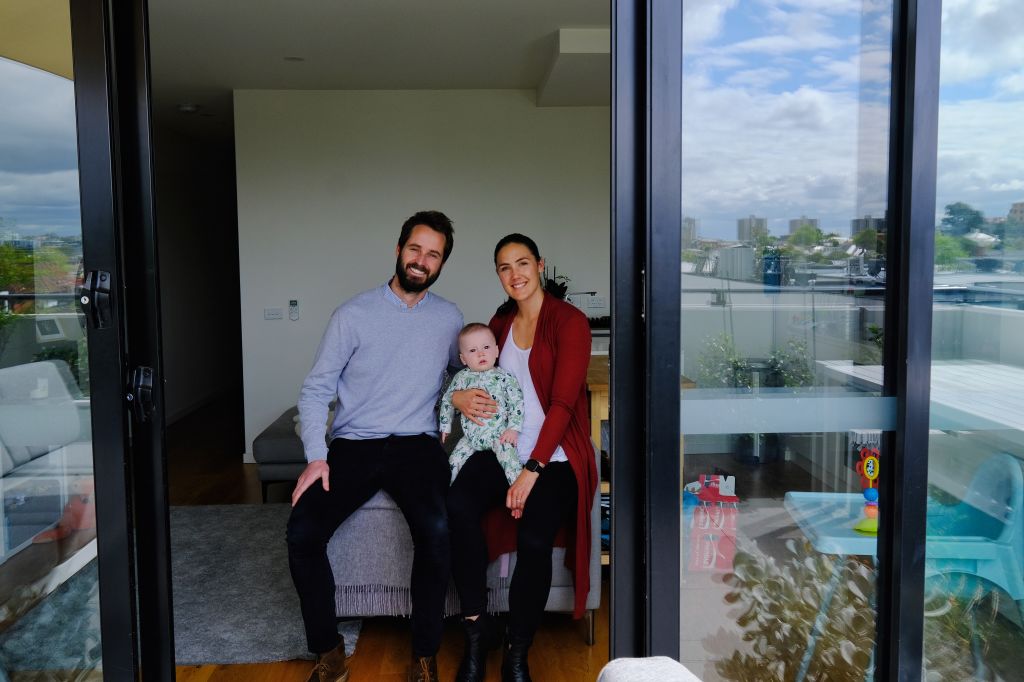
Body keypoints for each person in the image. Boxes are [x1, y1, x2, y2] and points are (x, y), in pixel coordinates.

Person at [286, 210, 463, 682]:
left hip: (417, 446)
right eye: (415, 249)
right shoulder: (352, 314)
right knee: (302, 533)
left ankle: (424, 656)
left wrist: (462, 393)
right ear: (398, 249)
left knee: (437, 533)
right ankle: (328, 652)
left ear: (442, 262)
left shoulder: (449, 318)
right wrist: (315, 458)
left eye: (433, 254)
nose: (421, 260)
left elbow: (456, 374)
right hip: (354, 445)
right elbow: (316, 390)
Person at [447, 234, 598, 682]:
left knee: (535, 539)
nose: (515, 274)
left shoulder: (569, 322)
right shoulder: (499, 322)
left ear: (540, 265)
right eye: (504, 267)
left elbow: (564, 406)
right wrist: (459, 401)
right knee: (456, 507)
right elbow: (470, 370)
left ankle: (517, 652)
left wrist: (532, 470)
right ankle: (476, 633)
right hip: (501, 446)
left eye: (523, 263)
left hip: (554, 456)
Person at [440, 323, 525, 485]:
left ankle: (519, 497)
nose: (481, 354)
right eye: (472, 351)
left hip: (499, 435)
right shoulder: (461, 378)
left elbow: (516, 402)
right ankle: (444, 495)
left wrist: (513, 428)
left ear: (497, 351)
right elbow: (448, 399)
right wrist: (445, 426)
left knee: (512, 464)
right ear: (463, 359)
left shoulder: (504, 377)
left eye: (486, 347)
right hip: (470, 437)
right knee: (452, 462)